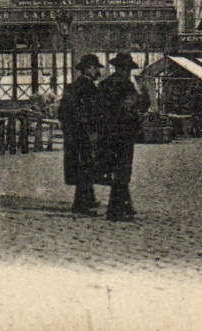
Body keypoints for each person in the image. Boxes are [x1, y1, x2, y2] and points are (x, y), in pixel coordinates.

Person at [94, 52, 144, 220]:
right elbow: (133, 107)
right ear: (125, 69)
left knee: (115, 168)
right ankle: (116, 210)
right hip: (124, 133)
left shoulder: (104, 84)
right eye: (128, 69)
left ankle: (125, 204)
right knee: (123, 170)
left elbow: (98, 111)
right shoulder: (126, 85)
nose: (128, 72)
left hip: (107, 134)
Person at [58, 54, 105, 215]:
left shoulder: (71, 87)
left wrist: (68, 130)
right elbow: (95, 112)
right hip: (86, 134)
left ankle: (89, 198)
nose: (97, 71)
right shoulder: (90, 88)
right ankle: (80, 205)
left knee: (80, 166)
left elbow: (62, 112)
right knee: (86, 166)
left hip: (73, 134)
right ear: (89, 69)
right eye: (95, 68)